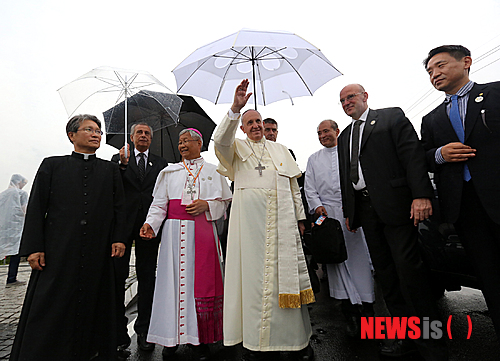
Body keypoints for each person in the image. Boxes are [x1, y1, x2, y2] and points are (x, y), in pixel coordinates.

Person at [337, 85, 447, 360]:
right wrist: (350, 211)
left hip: (398, 208)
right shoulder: (345, 136)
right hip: (366, 211)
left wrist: (421, 195)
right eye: (342, 100)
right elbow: (346, 176)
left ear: (365, 97)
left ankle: (431, 343)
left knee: (409, 272)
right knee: (386, 276)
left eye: (351, 97)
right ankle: (404, 337)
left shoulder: (390, 118)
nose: (346, 102)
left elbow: (413, 158)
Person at [10, 114, 126, 361]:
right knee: (51, 304)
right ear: (72, 135)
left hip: (98, 250)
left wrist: (119, 238)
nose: (96, 134)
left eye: (99, 131)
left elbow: (120, 208)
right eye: (89, 130)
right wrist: (34, 248)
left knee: (96, 303)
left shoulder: (111, 170)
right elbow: (36, 207)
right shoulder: (52, 165)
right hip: (58, 249)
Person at [214, 79, 314, 361]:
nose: (257, 125)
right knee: (252, 281)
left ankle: (292, 341)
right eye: (251, 122)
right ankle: (253, 341)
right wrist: (236, 108)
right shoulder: (235, 149)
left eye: (259, 120)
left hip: (281, 225)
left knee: (284, 279)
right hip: (249, 228)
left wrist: (299, 219)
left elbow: (294, 188)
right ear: (243, 128)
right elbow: (219, 141)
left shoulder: (281, 150)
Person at [421, 45, 500, 337]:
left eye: (440, 66)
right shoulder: (431, 119)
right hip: (465, 209)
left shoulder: (495, 94)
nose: (435, 74)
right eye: (430, 71)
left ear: (465, 62)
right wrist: (440, 154)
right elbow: (424, 156)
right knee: (490, 278)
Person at [140, 128, 231, 361]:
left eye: (186, 141)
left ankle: (197, 340)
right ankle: (169, 339)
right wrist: (150, 224)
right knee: (170, 285)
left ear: (199, 143)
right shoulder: (169, 172)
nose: (181, 145)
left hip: (202, 233)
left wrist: (207, 206)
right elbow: (159, 204)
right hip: (172, 235)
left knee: (197, 286)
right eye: (179, 142)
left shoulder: (214, 170)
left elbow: (225, 204)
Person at [304, 120, 374, 337]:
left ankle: (367, 308)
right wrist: (318, 207)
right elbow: (310, 188)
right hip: (328, 216)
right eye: (319, 133)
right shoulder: (313, 159)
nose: (323, 135)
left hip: (351, 212)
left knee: (358, 258)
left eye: (326, 131)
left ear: (337, 131)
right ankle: (348, 311)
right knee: (336, 261)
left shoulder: (349, 152)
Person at [111, 122, 168, 356]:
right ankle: (117, 332)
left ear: (151, 139)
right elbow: (112, 186)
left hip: (150, 227)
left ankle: (144, 330)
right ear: (131, 137)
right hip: (122, 227)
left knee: (147, 277)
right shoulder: (118, 159)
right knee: (117, 276)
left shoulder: (162, 163)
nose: (143, 136)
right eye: (139, 133)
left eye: (147, 133)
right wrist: (121, 166)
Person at [0, 174, 28, 287]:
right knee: (16, 251)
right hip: (16, 227)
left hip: (3, 228)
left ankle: (11, 278)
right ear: (19, 182)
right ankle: (11, 278)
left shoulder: (3, 194)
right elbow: (24, 210)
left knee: (4, 249)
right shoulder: (21, 193)